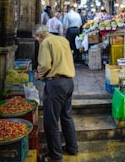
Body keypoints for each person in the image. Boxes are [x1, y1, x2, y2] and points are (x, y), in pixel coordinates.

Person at [33, 24, 78, 162]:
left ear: (40, 35)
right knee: (66, 117)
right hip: (69, 82)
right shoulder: (62, 39)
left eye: (37, 39)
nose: (38, 41)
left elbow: (45, 65)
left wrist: (38, 75)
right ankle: (72, 148)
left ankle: (55, 155)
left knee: (50, 121)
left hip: (56, 84)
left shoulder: (46, 42)